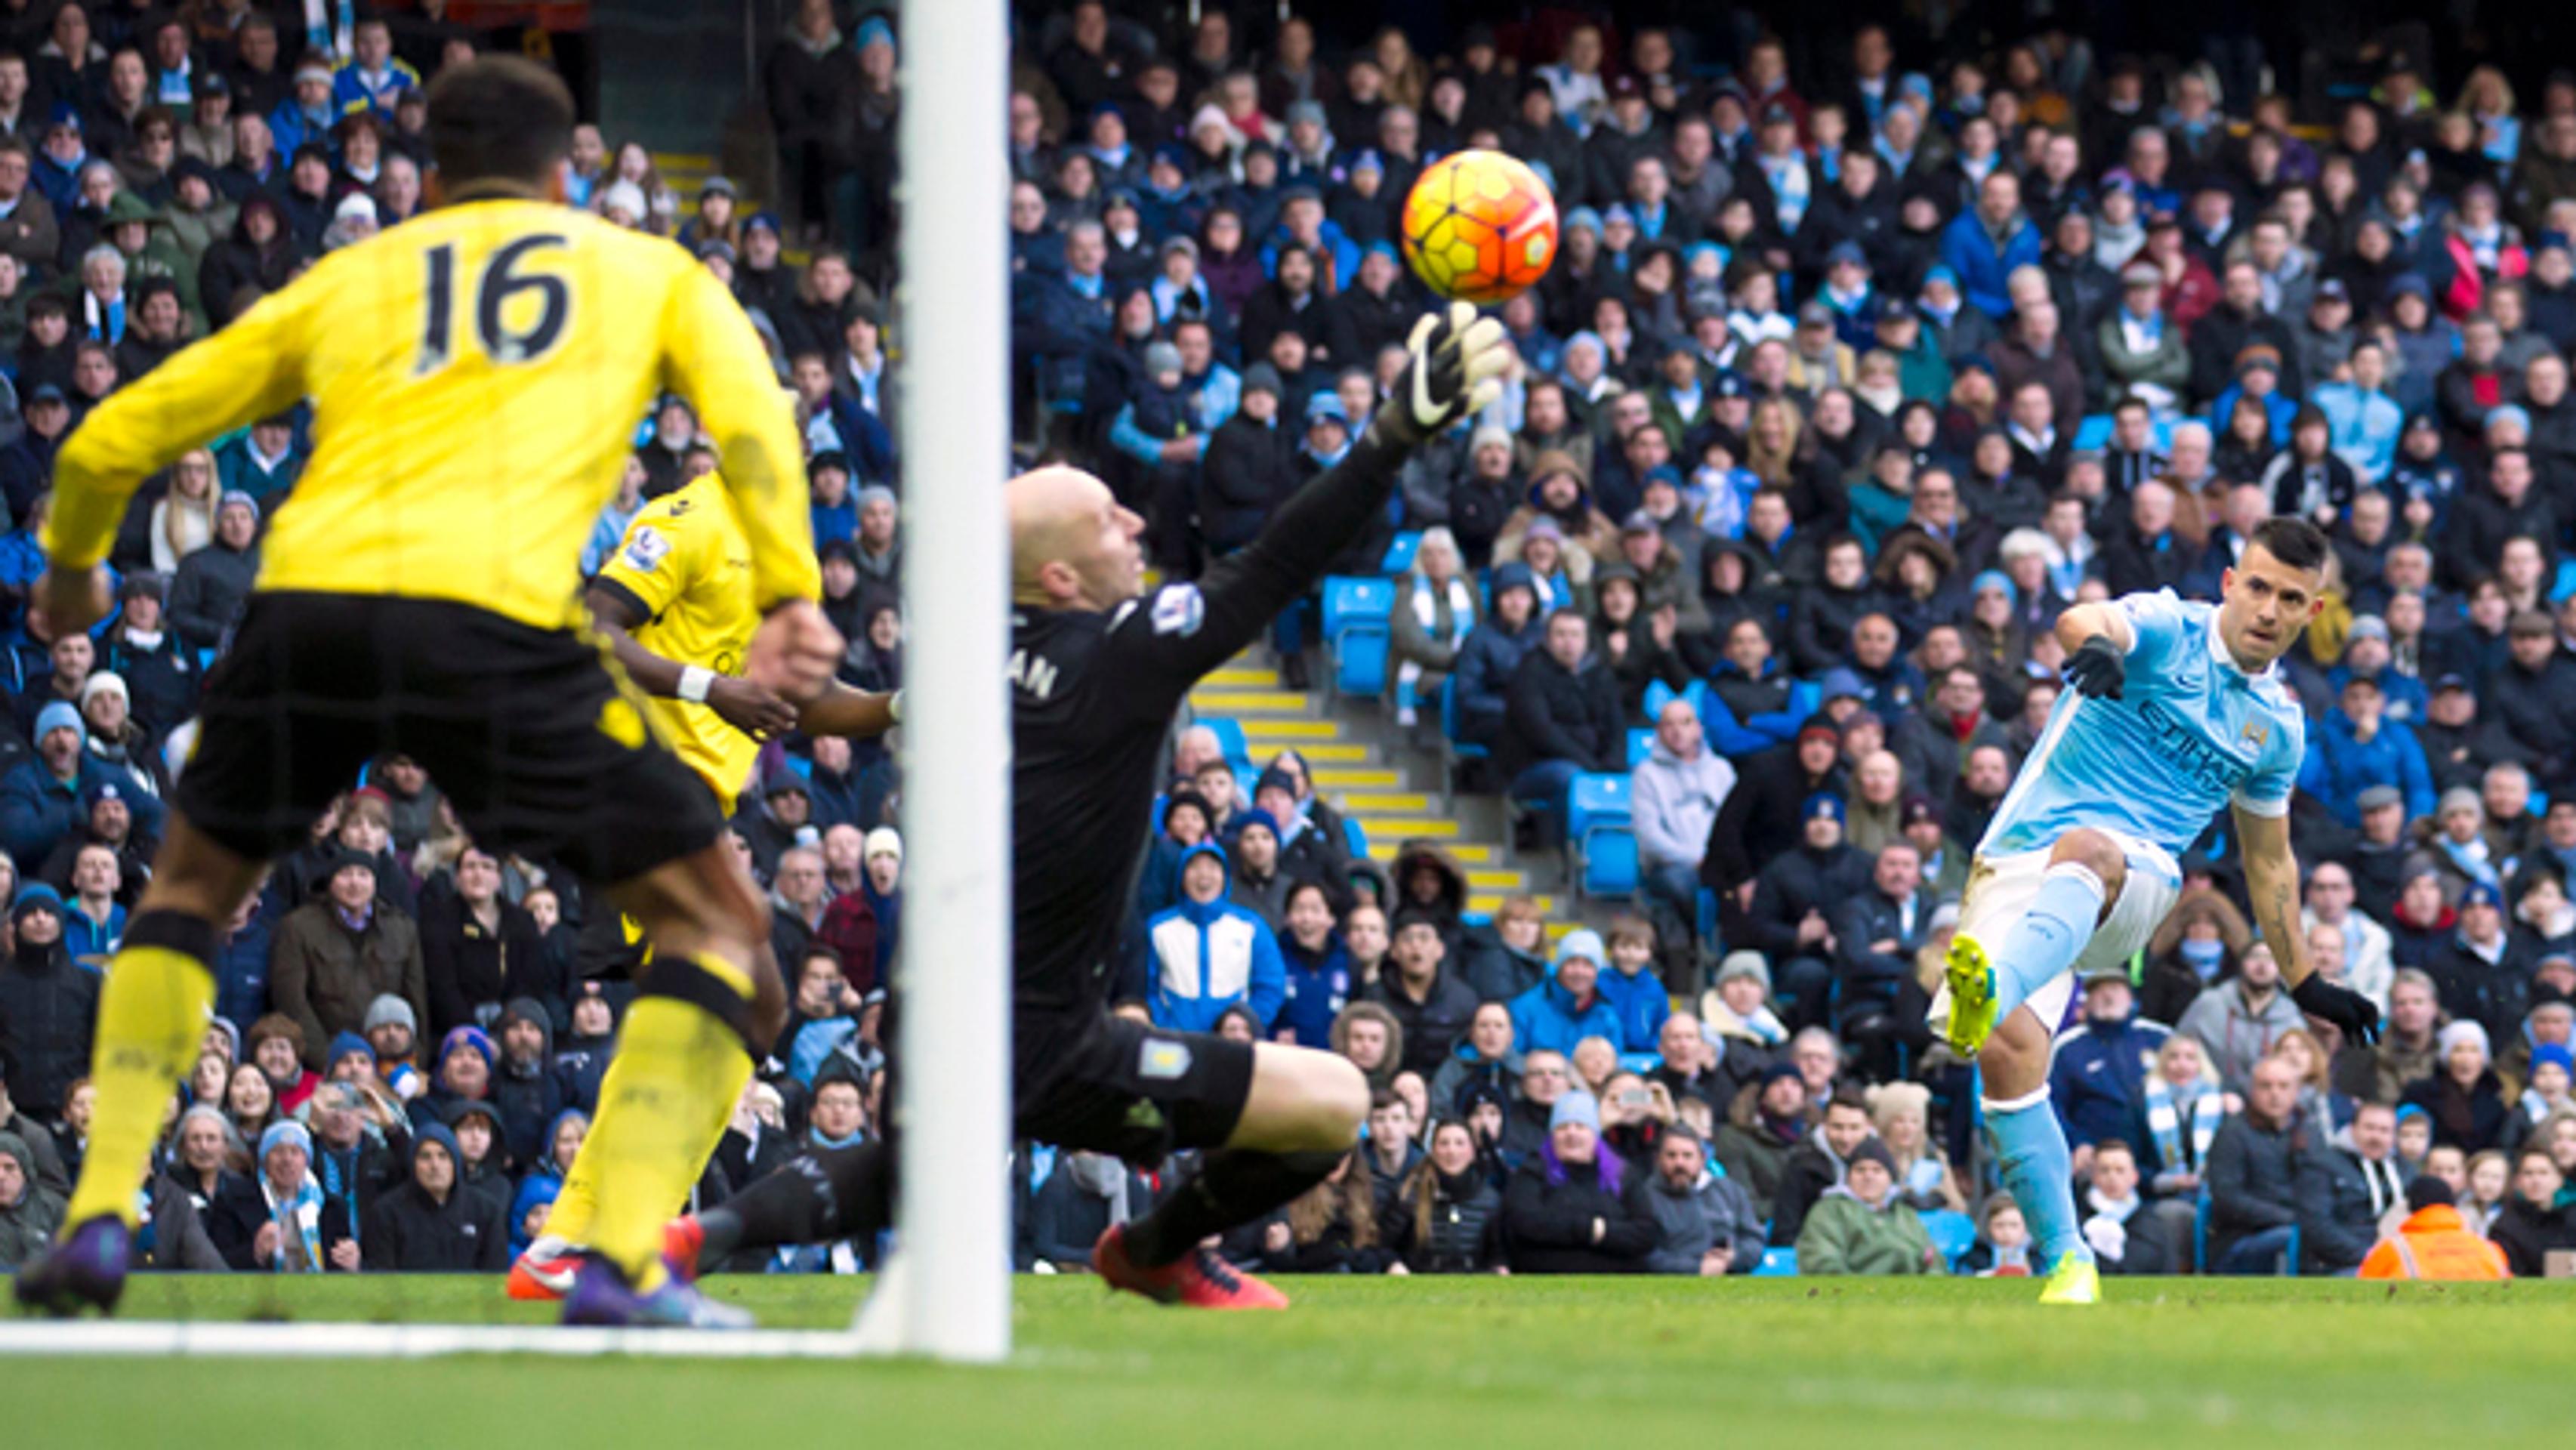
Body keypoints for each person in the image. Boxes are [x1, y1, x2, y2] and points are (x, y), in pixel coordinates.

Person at [16, 58, 842, 1331]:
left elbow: (110, 440)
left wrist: (73, 580)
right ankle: (616, 1262)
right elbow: (750, 430)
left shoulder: (356, 278)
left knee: (187, 895)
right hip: (496, 623)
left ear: (437, 177)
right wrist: (791, 592)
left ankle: (98, 1215)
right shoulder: (643, 275)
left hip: (310, 615)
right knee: (733, 946)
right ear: (567, 171)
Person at [672, 304, 1510, 1310]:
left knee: (913, 1170)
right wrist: (1387, 440)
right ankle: (1154, 1247)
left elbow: (852, 706)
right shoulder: (1118, 653)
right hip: (1051, 1032)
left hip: (936, 998)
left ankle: (690, 1237)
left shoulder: (964, 649)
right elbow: (1275, 564)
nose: (1138, 526)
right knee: (1332, 1105)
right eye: (1112, 519)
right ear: (1059, 576)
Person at [1930, 518, 2380, 1303]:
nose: (2270, 610)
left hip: (2135, 877)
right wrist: (2095, 648)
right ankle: (2070, 1263)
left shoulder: (2275, 727)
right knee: (2007, 1056)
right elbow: (2087, 618)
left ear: (2312, 614)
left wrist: (2304, 980)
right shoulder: (2170, 629)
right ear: (2232, 584)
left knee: (2092, 850)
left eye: (2292, 599)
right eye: (2261, 588)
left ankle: (1991, 988)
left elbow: (2268, 859)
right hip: (2016, 861)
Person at [1499, 1091, 1652, 1273]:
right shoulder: (1532, 1172)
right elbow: (1524, 1223)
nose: (1571, 1134)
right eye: (1562, 1127)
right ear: (1552, 1135)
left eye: (1580, 1126)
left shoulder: (1623, 1174)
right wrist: (1592, 1229)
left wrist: (1574, 1229)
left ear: (1595, 1135)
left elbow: (1646, 1233)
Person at [363, 1120, 507, 1272]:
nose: (435, 1165)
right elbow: (382, 1277)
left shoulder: (486, 1210)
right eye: (425, 1157)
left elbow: (495, 1274)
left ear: (455, 1163)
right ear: (413, 1164)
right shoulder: (387, 1211)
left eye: (443, 1156)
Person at [1794, 1135, 1938, 1275]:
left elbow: (1933, 1261)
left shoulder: (1906, 1214)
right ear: (1848, 1177)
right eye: (1860, 1170)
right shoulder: (1829, 1212)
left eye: (1877, 1170)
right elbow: (1822, 1262)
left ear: (1890, 1178)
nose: (1868, 1177)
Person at [1633, 1123, 1763, 1274]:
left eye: (1687, 1156)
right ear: (1658, 1159)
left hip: (1731, 1281)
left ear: (1702, 1159)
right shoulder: (1645, 1197)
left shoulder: (1731, 1191)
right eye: (1671, 1155)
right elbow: (1644, 1255)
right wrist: (1696, 1269)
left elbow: (1754, 1240)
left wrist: (1733, 1258)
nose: (1679, 1163)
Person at [2359, 1174, 2511, 1279]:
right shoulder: (2490, 1250)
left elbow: (2362, 1296)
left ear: (2411, 1208)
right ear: (2452, 1206)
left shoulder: (2394, 1249)